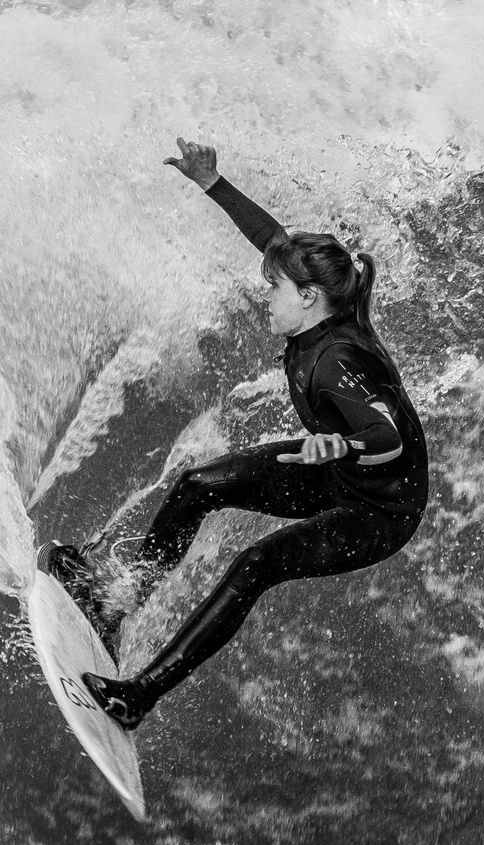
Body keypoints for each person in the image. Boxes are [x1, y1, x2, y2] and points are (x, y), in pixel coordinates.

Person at [42, 138, 429, 730]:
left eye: (274, 288)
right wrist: (212, 182)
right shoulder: (322, 310)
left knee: (255, 565)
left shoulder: (337, 361)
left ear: (308, 297)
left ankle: (138, 696)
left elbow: (389, 437)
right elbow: (272, 239)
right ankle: (115, 604)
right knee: (199, 486)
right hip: (339, 473)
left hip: (379, 510)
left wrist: (343, 445)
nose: (265, 293)